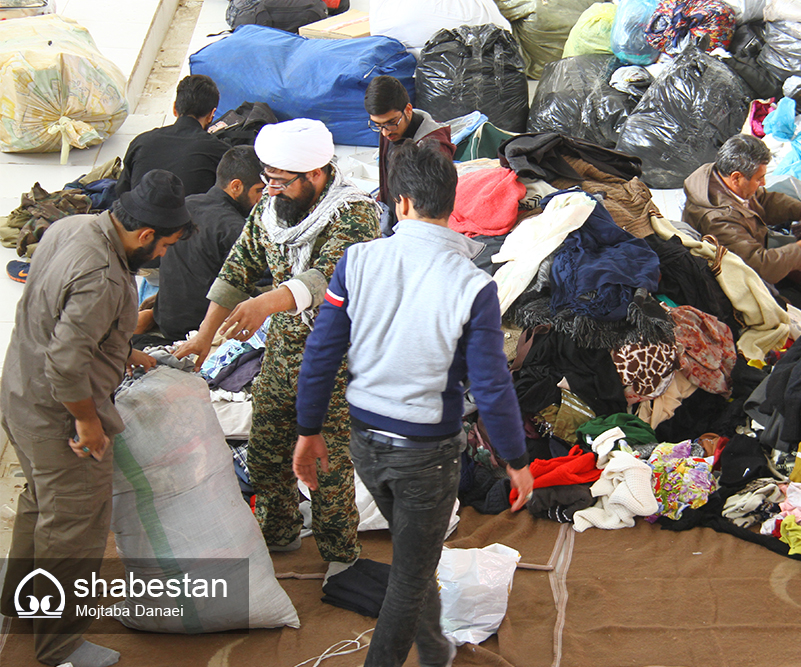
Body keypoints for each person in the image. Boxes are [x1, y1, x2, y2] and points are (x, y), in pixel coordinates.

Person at [293, 140, 533, 667]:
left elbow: (322, 352)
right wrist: (515, 460)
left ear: (400, 203)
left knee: (415, 559)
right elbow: (491, 386)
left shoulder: (357, 262)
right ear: (453, 206)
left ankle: (436, 649)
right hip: (426, 452)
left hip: (365, 443)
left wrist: (308, 428)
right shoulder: (474, 286)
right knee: (411, 574)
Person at [0, 170, 194, 667]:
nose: (163, 256)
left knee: (41, 505)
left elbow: (53, 314)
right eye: (165, 245)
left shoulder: (75, 227)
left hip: (18, 393)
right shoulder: (105, 276)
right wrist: (87, 423)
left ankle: (22, 604)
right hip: (58, 414)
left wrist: (123, 351)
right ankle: (59, 647)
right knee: (76, 529)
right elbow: (66, 362)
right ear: (145, 234)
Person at [173, 118, 380, 581]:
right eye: (267, 179)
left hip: (336, 357)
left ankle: (341, 553)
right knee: (267, 451)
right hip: (286, 350)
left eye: (282, 182)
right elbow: (236, 268)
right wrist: (205, 336)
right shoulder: (270, 210)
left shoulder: (355, 214)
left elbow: (331, 278)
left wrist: (266, 303)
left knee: (327, 463)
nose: (270, 190)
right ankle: (280, 530)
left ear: (316, 176)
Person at [133, 146, 265, 347]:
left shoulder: (186, 204)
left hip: (166, 319)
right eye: (259, 190)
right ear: (236, 186)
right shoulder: (233, 228)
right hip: (198, 328)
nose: (263, 198)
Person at [682, 133, 801, 286]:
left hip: (753, 248)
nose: (763, 183)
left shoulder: (723, 176)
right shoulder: (718, 220)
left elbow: (764, 200)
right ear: (736, 178)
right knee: (798, 297)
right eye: (759, 179)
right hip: (735, 279)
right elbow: (761, 267)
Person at [364, 75, 456, 235]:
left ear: (407, 109)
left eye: (391, 123)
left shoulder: (433, 148)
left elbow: (431, 211)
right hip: (391, 214)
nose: (385, 132)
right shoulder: (390, 129)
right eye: (378, 125)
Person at [116, 74, 230, 198]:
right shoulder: (220, 152)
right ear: (211, 115)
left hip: (134, 215)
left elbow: (120, 193)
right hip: (191, 216)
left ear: (174, 108)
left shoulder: (141, 142)